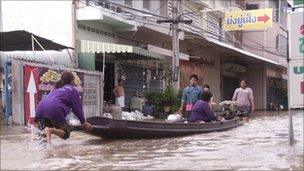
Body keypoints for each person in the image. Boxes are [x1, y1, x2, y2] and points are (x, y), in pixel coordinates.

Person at [35, 71, 92, 143]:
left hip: (40, 110)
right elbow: (77, 108)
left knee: (42, 139)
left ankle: (46, 152)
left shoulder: (55, 88)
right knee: (66, 133)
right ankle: (50, 130)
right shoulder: (72, 90)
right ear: (72, 81)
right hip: (54, 110)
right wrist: (84, 123)